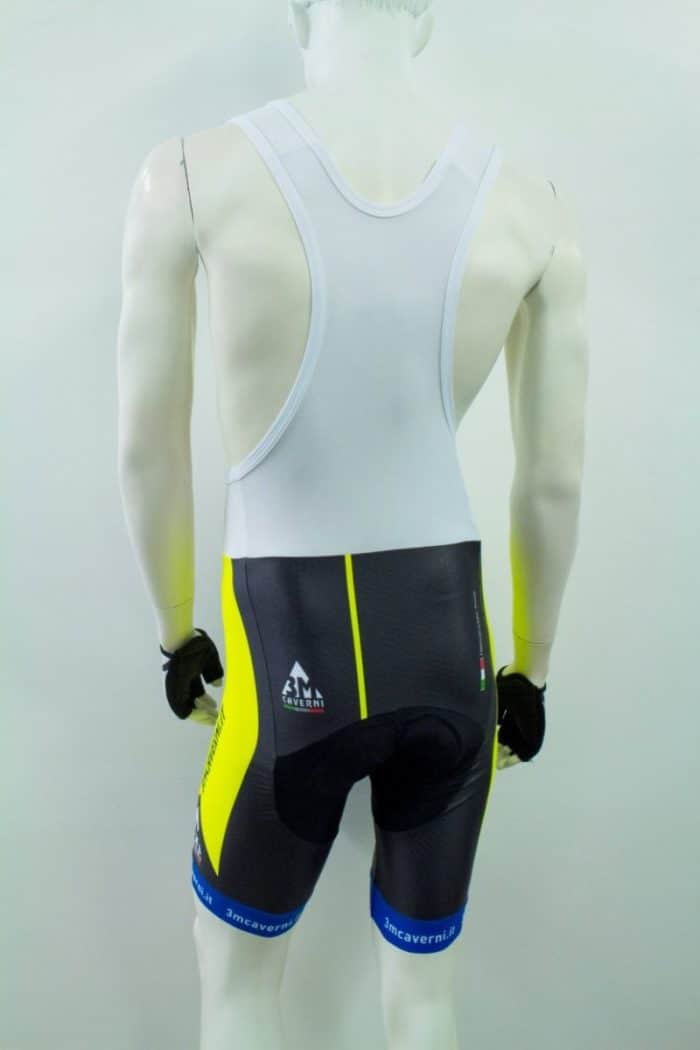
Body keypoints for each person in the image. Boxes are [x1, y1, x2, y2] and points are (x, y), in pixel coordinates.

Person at [117, 1, 589, 1047]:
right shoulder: (533, 204)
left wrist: (176, 635)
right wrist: (532, 671)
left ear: (298, 7)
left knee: (239, 979)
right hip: (452, 652)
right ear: (425, 15)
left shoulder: (188, 173)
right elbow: (554, 479)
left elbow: (146, 447)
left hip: (288, 653)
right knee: (423, 995)